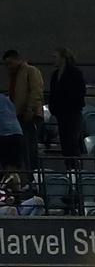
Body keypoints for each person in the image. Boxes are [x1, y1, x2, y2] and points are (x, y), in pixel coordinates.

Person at [4, 49, 43, 180]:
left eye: (10, 63)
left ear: (17, 59)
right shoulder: (14, 76)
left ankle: (35, 179)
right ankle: (28, 178)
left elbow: (36, 91)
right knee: (23, 150)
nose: (8, 67)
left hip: (28, 116)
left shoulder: (31, 71)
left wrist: (30, 109)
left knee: (30, 149)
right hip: (18, 116)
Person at [47, 47, 85, 164]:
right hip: (61, 113)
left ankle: (75, 169)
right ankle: (69, 168)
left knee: (72, 141)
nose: (53, 60)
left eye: (55, 57)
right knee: (65, 143)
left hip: (72, 112)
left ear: (63, 58)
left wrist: (73, 104)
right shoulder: (55, 75)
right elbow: (53, 93)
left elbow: (80, 91)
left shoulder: (75, 73)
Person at [0, 93, 24, 178]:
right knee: (13, 169)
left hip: (3, 134)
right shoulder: (6, 99)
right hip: (17, 133)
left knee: (5, 166)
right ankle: (15, 187)